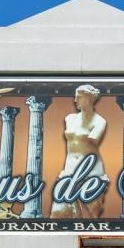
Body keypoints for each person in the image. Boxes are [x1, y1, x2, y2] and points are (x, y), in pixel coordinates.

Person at [50, 85, 108, 219]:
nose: (75, 100)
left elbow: (94, 140)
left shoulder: (99, 121)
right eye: (75, 97)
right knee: (57, 212)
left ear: (89, 99)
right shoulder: (69, 118)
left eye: (79, 97)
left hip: (90, 171)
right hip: (69, 170)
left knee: (91, 216)